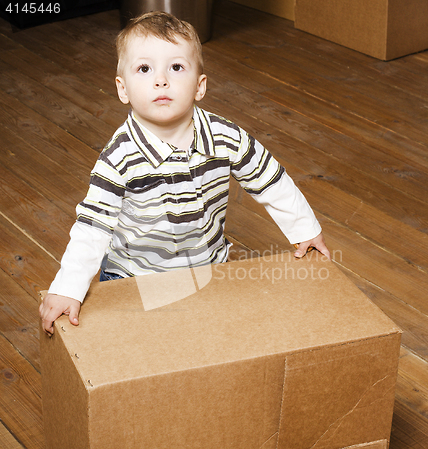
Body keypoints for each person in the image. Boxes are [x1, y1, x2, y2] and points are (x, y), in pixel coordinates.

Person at [39, 11, 330, 335]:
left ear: (199, 86)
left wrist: (304, 229)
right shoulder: (119, 157)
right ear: (123, 89)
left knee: (212, 343)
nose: (161, 80)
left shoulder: (226, 137)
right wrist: (68, 287)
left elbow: (270, 179)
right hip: (135, 277)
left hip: (206, 269)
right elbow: (93, 226)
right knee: (142, 350)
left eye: (176, 67)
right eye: (144, 69)